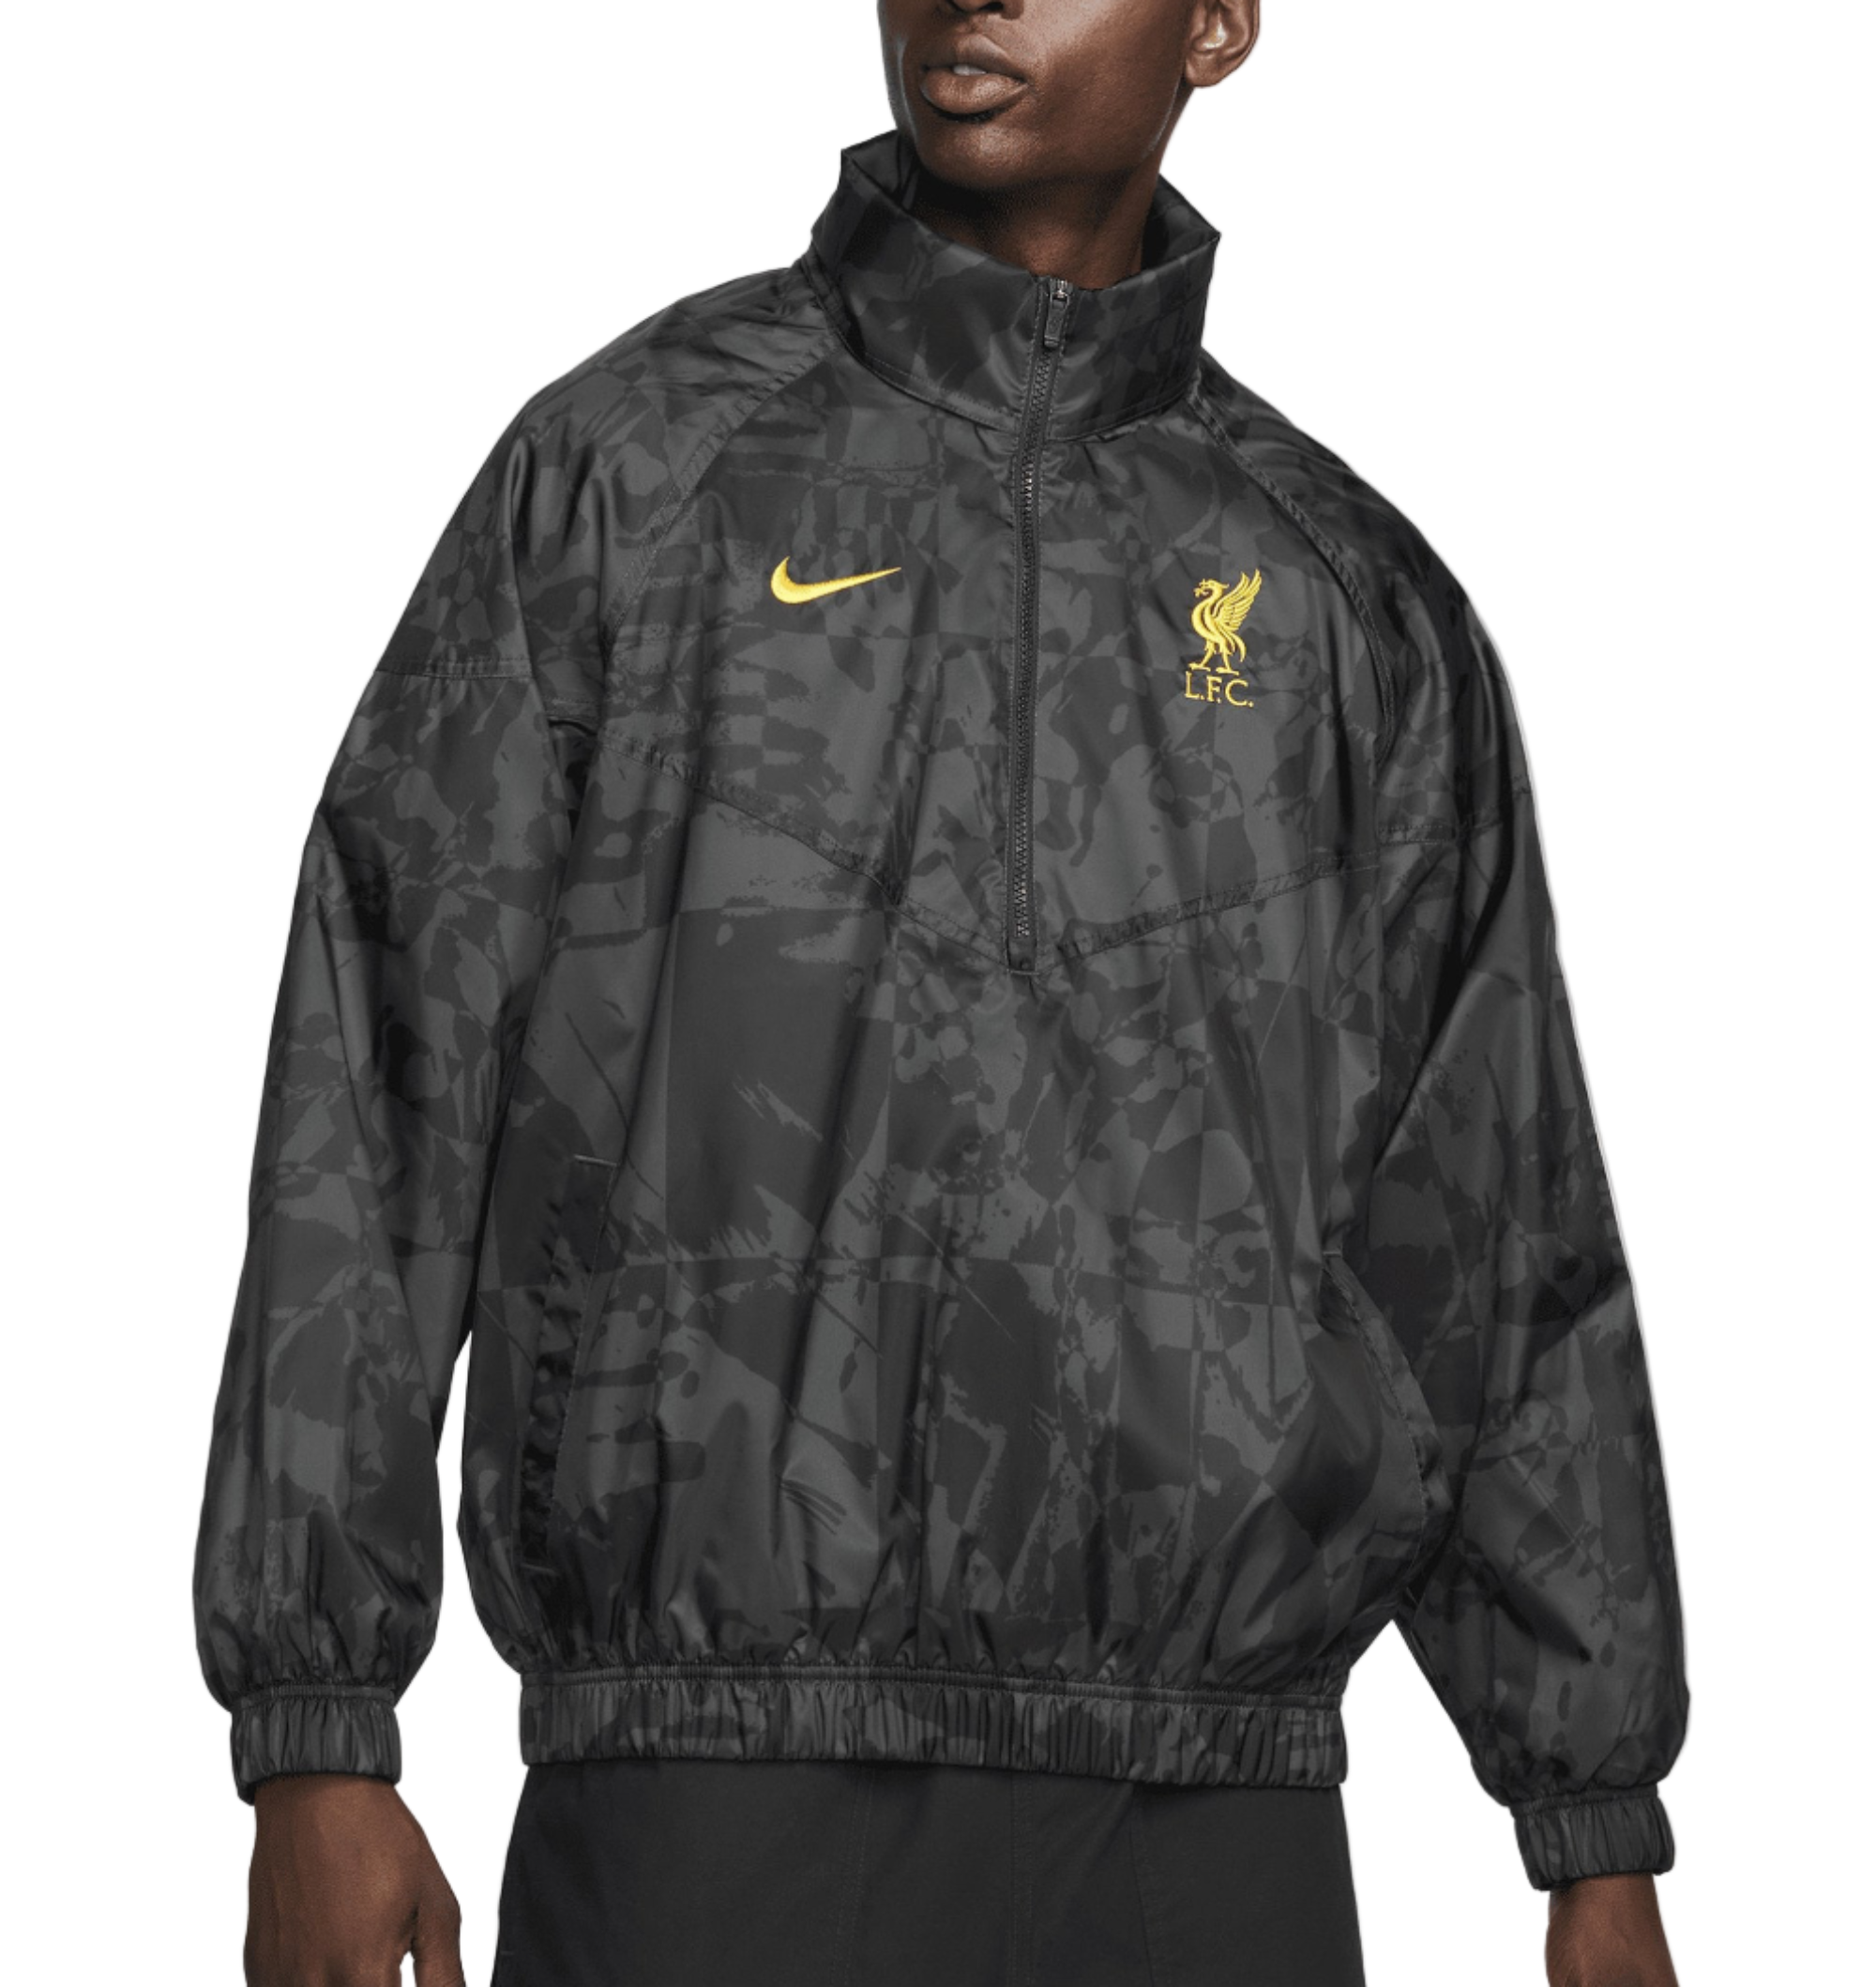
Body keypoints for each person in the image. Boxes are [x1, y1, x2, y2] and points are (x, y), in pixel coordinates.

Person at [194, 4, 1689, 1982]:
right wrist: (319, 1729)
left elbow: (1489, 1219)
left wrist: (1591, 1826)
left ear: (1217, 25)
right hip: (703, 1786)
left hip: (1204, 1814)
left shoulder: (1345, 599)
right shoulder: (636, 472)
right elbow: (384, 1070)